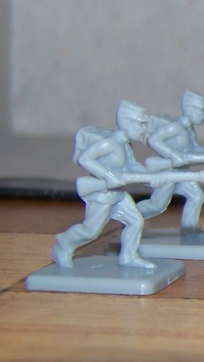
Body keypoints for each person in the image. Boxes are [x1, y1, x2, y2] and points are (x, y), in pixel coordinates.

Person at [52, 101, 154, 269]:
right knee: (90, 231)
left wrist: (150, 177)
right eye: (140, 124)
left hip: (119, 194)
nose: (144, 129)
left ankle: (128, 257)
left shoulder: (125, 145)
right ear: (126, 124)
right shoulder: (110, 143)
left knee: (135, 221)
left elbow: (132, 165)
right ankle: (62, 245)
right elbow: (84, 159)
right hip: (102, 196)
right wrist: (107, 175)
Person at [135, 90, 204, 231]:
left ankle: (189, 229)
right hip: (168, 172)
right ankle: (131, 217)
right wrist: (174, 155)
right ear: (190, 109)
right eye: (202, 110)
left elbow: (194, 149)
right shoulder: (176, 127)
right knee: (157, 205)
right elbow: (153, 140)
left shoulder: (189, 130)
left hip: (181, 172)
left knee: (196, 196)